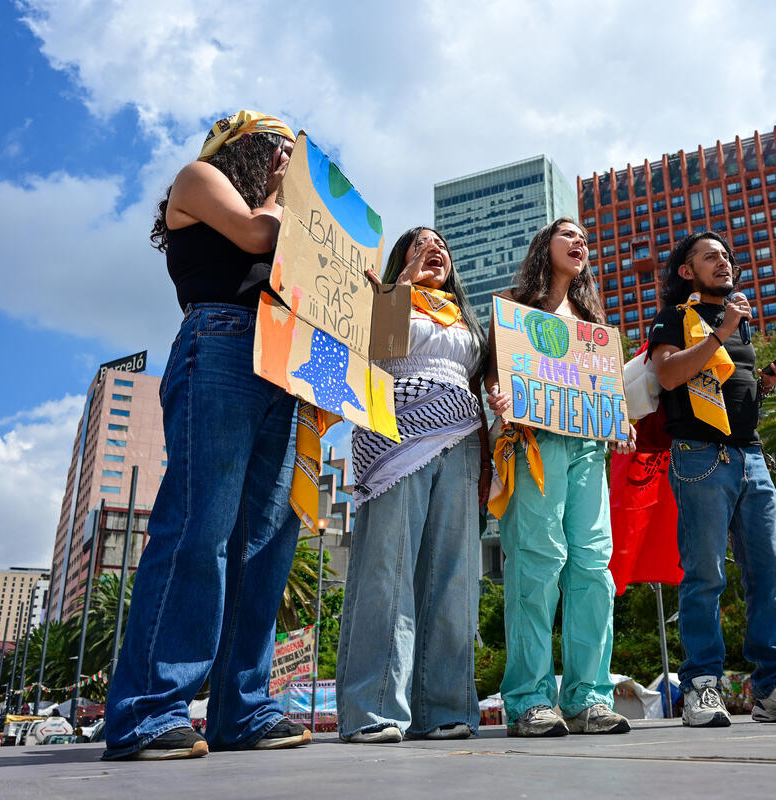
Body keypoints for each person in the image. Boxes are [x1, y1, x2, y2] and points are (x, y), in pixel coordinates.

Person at [103, 110, 314, 760]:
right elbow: (256, 235)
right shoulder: (198, 179)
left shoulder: (286, 216)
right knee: (201, 528)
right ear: (244, 148)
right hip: (221, 341)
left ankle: (242, 710)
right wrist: (285, 198)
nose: (287, 159)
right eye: (278, 149)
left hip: (281, 362)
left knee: (264, 546)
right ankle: (150, 710)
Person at [647, 230, 776, 726]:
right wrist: (721, 331)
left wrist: (765, 381)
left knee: (769, 575)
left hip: (750, 455)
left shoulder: (739, 326)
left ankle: (772, 689)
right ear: (688, 272)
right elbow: (667, 377)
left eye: (726, 256)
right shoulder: (675, 319)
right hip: (700, 455)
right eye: (710, 257)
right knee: (705, 574)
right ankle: (702, 688)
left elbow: (731, 393)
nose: (723, 262)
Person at [334, 227, 490, 743]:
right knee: (388, 572)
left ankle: (444, 708)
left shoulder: (467, 321)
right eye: (421, 243)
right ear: (403, 256)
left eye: (442, 244)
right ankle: (374, 710)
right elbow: (375, 350)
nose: (435, 249)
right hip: (396, 436)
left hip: (461, 438)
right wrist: (397, 286)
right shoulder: (382, 297)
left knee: (454, 579)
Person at [485, 218, 634, 737]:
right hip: (534, 443)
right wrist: (500, 398)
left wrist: (618, 422)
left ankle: (589, 695)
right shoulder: (515, 304)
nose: (580, 243)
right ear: (543, 245)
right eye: (568, 235)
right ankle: (529, 698)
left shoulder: (592, 320)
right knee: (537, 561)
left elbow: (604, 387)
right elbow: (493, 373)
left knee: (594, 564)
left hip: (589, 447)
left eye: (586, 239)